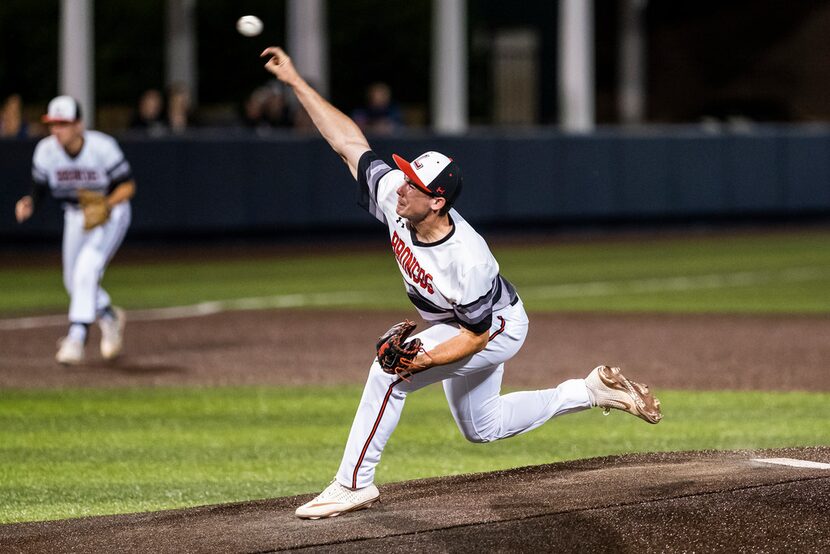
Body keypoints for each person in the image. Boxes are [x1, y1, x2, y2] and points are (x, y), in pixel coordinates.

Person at [260, 46, 663, 520]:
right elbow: (348, 142)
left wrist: (421, 358)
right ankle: (592, 391)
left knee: (390, 374)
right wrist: (296, 83)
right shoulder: (397, 197)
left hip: (495, 328)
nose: (401, 185)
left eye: (413, 183)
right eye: (405, 175)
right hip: (463, 323)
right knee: (482, 427)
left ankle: (353, 483)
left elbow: (476, 336)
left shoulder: (467, 259)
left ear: (437, 203)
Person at [14, 95, 135, 365]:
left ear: (79, 124)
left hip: (110, 213)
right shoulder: (46, 151)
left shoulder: (102, 147)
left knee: (86, 269)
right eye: (53, 124)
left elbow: (127, 186)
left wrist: (106, 204)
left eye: (63, 124)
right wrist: (30, 202)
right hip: (75, 215)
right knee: (73, 280)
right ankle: (108, 316)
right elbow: (40, 188)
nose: (57, 130)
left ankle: (77, 337)